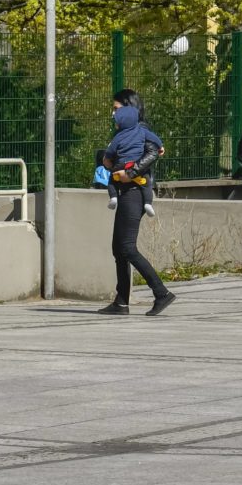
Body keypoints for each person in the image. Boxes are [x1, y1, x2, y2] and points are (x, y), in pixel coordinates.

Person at [97, 90, 173, 317]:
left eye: (116, 108)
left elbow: (153, 154)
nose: (113, 113)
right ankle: (121, 302)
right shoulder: (125, 132)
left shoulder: (143, 131)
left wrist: (130, 173)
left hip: (135, 191)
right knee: (118, 248)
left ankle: (161, 293)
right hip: (125, 191)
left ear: (129, 108)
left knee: (127, 247)